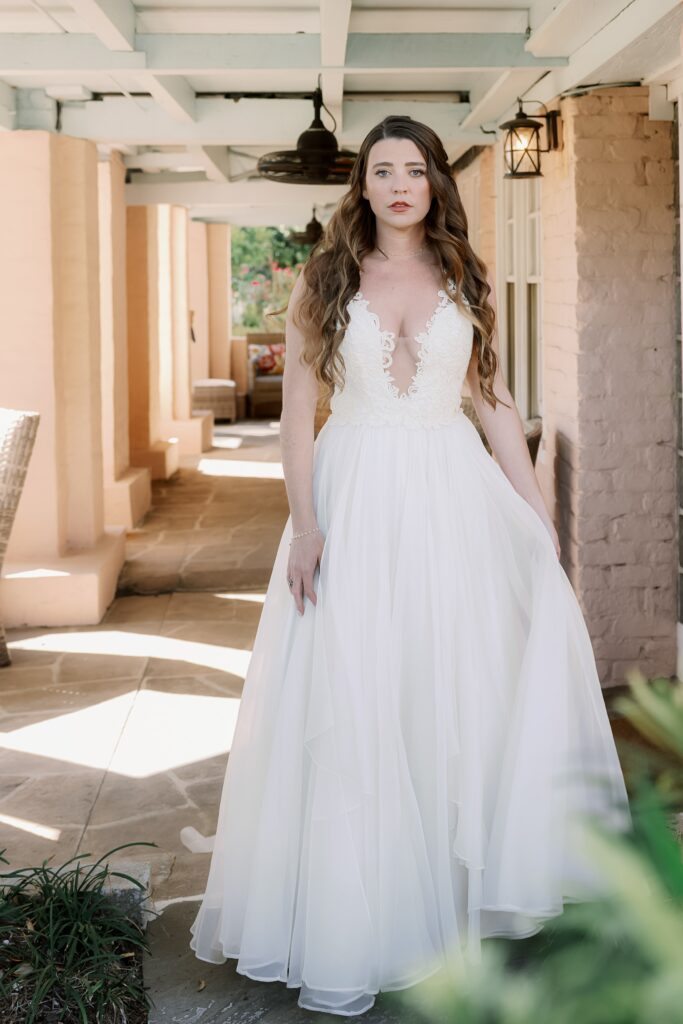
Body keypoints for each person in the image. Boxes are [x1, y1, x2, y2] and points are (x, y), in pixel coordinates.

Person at [189, 115, 632, 1016]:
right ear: (362, 186)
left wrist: (535, 517)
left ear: (434, 183)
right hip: (354, 496)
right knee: (358, 698)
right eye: (381, 170)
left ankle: (446, 906)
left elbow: (495, 401)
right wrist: (305, 526)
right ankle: (363, 917)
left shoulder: (463, 274)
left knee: (448, 690)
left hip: (450, 497)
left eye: (414, 169)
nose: (398, 184)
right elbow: (299, 415)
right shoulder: (326, 278)